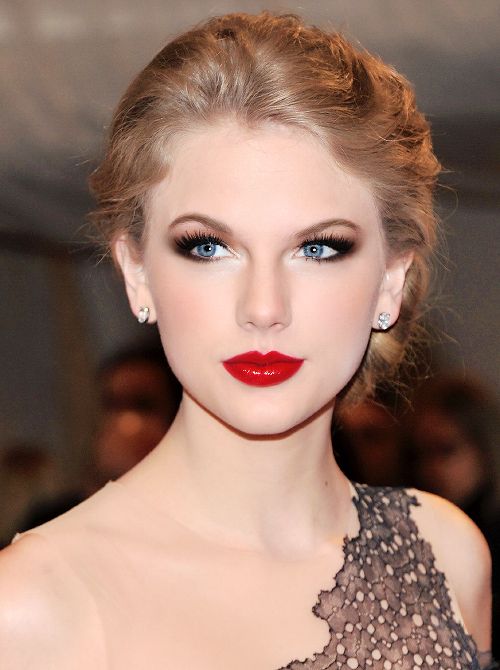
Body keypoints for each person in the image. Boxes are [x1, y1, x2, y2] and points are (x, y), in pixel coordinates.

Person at [0, 12, 495, 669]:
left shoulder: (449, 555)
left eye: (319, 247)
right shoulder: (34, 606)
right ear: (137, 271)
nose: (264, 308)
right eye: (208, 246)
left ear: (390, 279)